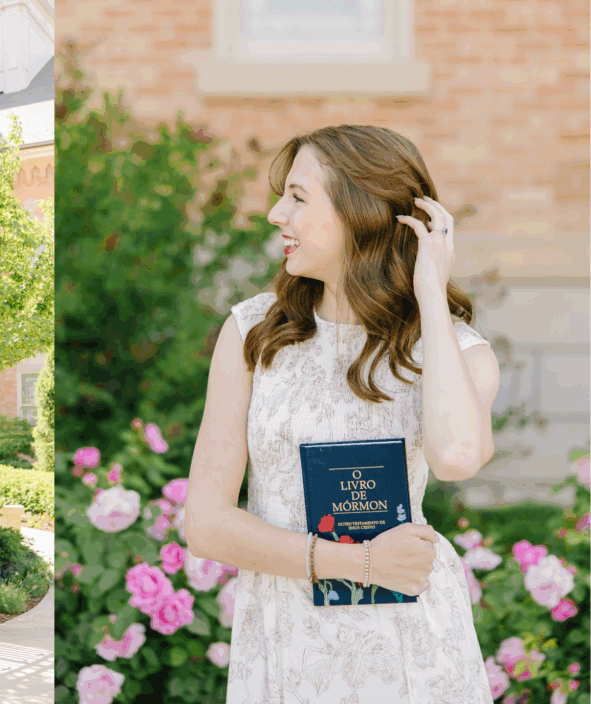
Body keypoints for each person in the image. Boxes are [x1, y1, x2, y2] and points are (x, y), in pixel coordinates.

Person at [185, 125, 500, 703]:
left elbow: (456, 458)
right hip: (286, 643)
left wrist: (430, 291)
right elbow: (204, 524)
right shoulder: (254, 334)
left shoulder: (454, 350)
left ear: (362, 213)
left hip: (412, 649)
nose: (277, 214)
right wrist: (359, 562)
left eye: (299, 198)